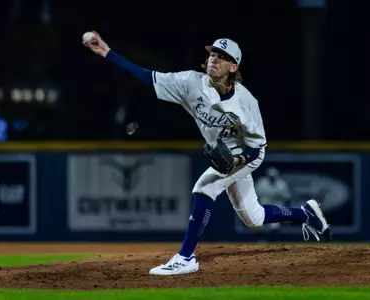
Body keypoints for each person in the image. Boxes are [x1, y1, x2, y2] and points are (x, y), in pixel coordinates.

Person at [83, 31, 332, 276]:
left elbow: (257, 146)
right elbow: (147, 77)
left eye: (222, 56)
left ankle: (185, 257)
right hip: (226, 153)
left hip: (248, 154)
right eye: (213, 53)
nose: (214, 58)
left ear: (233, 67)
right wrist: (107, 52)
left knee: (205, 187)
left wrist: (238, 159)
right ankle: (306, 212)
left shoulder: (246, 102)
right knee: (253, 217)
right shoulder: (191, 83)